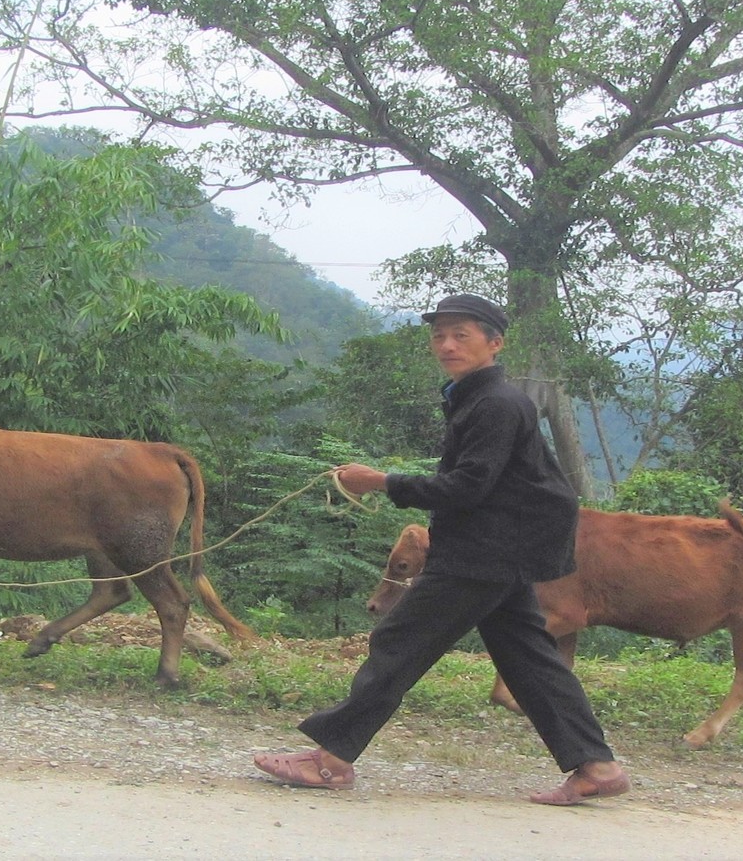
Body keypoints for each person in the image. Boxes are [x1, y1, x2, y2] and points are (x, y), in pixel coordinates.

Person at [253, 294, 630, 806]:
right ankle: (597, 766)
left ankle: (331, 760)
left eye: (461, 335)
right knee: (529, 656)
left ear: (494, 343)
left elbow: (468, 487)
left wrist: (382, 480)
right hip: (506, 542)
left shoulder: (495, 404)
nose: (447, 345)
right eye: (439, 335)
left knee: (400, 640)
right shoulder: (472, 397)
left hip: (490, 546)